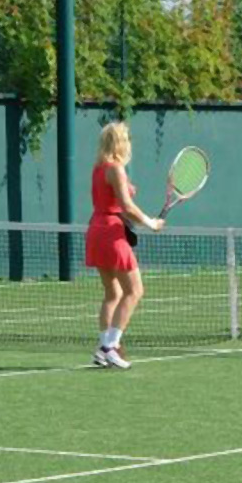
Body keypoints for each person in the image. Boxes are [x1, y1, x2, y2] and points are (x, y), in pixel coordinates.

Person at [84, 122, 164, 369]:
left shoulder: (99, 168)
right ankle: (110, 347)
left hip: (97, 229)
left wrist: (128, 193)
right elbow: (127, 207)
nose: (129, 143)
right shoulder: (116, 169)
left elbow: (114, 201)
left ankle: (102, 349)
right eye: (126, 139)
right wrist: (151, 223)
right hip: (111, 233)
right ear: (120, 142)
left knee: (113, 294)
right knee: (134, 291)